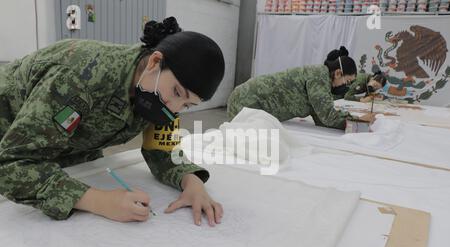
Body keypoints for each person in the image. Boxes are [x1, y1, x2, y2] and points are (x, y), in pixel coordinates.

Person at [0, 17, 225, 226]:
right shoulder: (80, 79)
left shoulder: (157, 92)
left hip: (67, 145)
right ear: (155, 61)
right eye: (177, 93)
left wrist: (191, 182)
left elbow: (162, 150)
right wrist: (98, 201)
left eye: (187, 105)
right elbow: (9, 164)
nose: (174, 109)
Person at [227, 46, 366, 130]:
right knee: (245, 145)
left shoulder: (322, 79)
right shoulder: (319, 77)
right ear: (337, 73)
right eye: (347, 81)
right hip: (246, 101)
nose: (346, 86)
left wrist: (352, 122)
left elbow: (322, 117)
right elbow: (329, 117)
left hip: (250, 100)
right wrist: (359, 122)